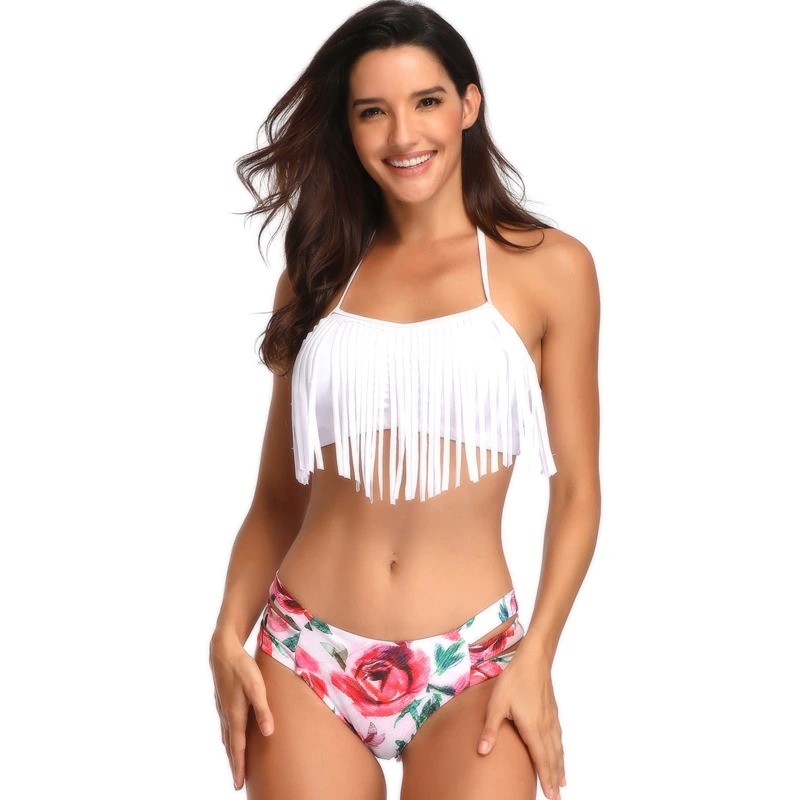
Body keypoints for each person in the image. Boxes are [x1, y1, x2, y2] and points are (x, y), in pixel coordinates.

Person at [208, 2, 601, 798]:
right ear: (349, 128)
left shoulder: (550, 269)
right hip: (305, 654)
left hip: (475, 661)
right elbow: (278, 496)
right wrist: (225, 632)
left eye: (426, 101)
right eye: (372, 112)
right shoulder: (317, 274)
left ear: (468, 105)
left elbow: (578, 493)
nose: (402, 135)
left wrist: (538, 656)